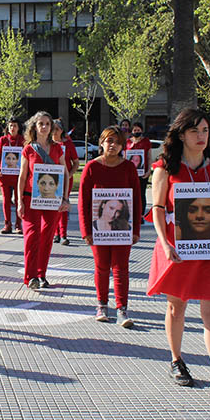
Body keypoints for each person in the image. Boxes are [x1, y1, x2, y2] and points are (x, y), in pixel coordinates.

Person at [147, 108, 210, 403]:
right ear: (182, 134)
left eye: (206, 130)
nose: (202, 136)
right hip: (178, 249)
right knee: (177, 307)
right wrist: (164, 244)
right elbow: (158, 209)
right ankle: (176, 360)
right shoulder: (165, 169)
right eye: (195, 131)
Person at [79, 126, 141, 326]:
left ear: (123, 145)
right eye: (108, 140)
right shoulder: (91, 167)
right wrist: (86, 230)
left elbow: (137, 200)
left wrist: (135, 230)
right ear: (101, 143)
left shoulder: (129, 168)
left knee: (121, 267)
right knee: (102, 266)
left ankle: (122, 309)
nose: (112, 145)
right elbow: (83, 201)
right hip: (99, 230)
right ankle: (102, 304)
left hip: (123, 229)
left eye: (116, 141)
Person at [18, 111, 70, 290]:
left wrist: (65, 197)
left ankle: (41, 274)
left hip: (52, 199)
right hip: (30, 198)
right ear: (34, 126)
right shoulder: (28, 149)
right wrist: (19, 201)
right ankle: (30, 276)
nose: (44, 127)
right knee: (32, 235)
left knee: (47, 236)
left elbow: (65, 173)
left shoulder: (57, 148)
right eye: (41, 123)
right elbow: (22, 177)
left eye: (47, 124)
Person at [0, 118, 24, 234]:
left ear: (18, 128)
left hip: (18, 176)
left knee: (18, 200)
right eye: (11, 126)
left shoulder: (22, 140)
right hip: (5, 176)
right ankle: (7, 224)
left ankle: (19, 224)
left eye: (15, 126)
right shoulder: (3, 140)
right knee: (6, 200)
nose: (13, 128)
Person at [53, 119, 79, 245]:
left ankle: (63, 234)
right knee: (52, 206)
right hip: (50, 180)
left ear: (62, 130)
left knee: (63, 205)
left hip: (65, 180)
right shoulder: (46, 144)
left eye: (57, 129)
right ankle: (55, 233)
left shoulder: (68, 144)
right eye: (52, 128)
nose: (54, 131)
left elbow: (76, 163)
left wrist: (69, 175)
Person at [126, 122, 152, 219]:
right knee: (130, 193)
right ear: (132, 131)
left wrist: (149, 170)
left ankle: (141, 215)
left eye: (138, 130)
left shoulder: (146, 141)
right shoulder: (127, 142)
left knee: (141, 193)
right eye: (135, 130)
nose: (136, 132)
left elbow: (149, 157)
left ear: (142, 130)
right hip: (131, 173)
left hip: (143, 173)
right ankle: (131, 214)